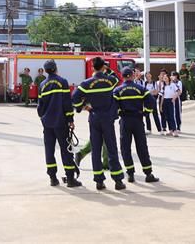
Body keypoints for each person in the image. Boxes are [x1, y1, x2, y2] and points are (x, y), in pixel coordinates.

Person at [72, 57, 126, 190]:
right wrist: (107, 69)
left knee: (96, 150)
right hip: (107, 118)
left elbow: (74, 98)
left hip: (94, 117)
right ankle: (118, 181)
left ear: (92, 68)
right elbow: (117, 78)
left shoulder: (86, 84)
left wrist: (83, 107)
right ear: (103, 67)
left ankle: (99, 181)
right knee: (112, 148)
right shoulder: (110, 80)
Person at [37, 60, 81, 187]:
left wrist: (43, 119)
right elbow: (67, 103)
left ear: (45, 71)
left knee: (49, 151)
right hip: (61, 123)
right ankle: (70, 179)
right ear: (56, 68)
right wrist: (70, 120)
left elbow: (40, 107)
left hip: (47, 124)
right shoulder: (62, 82)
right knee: (66, 151)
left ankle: (53, 178)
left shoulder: (42, 85)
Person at [114, 67, 160, 183]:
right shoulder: (141, 89)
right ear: (132, 76)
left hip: (125, 120)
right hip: (138, 120)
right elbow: (152, 102)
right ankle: (148, 174)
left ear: (122, 76)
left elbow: (113, 106)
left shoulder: (117, 90)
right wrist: (146, 113)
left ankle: (130, 174)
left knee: (125, 148)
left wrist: (118, 113)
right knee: (142, 147)